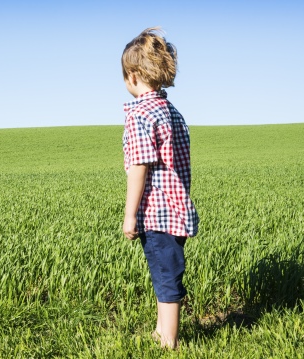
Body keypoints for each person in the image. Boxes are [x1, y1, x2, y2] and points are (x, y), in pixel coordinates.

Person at [120, 27, 199, 349]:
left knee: (166, 277)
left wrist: (129, 215)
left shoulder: (140, 113)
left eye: (124, 75)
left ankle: (169, 342)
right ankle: (159, 331)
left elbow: (139, 167)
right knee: (166, 270)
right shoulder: (170, 111)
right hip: (178, 211)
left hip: (156, 213)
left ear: (134, 75)